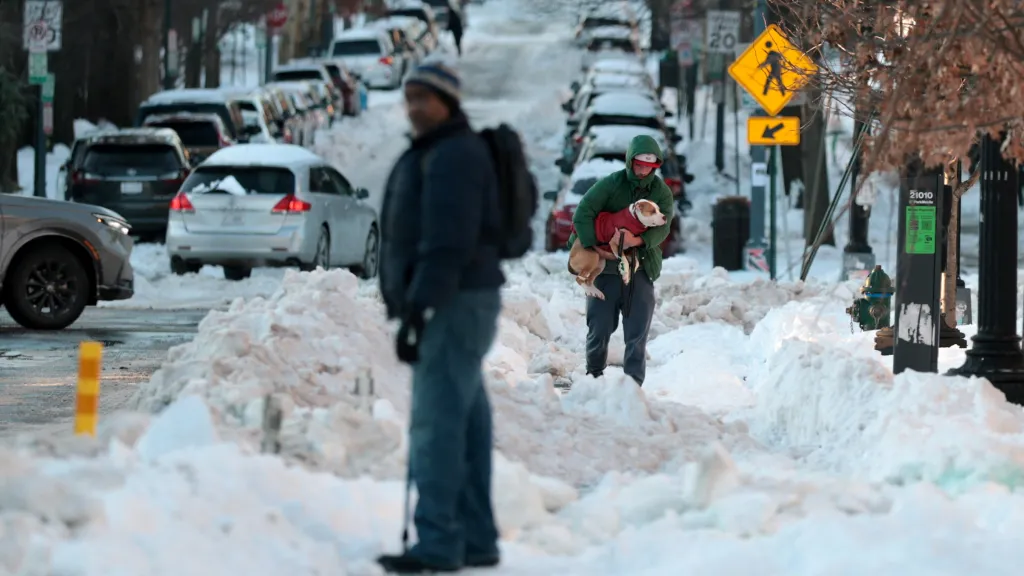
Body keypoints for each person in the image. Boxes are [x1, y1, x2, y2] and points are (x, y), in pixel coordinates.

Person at [376, 59, 505, 574]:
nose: (413, 107)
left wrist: (420, 307)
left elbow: (446, 242)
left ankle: (438, 542)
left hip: (451, 301)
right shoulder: (443, 151)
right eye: (408, 97)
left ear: (447, 100)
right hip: (461, 298)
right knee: (465, 420)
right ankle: (475, 539)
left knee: (436, 425)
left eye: (422, 97)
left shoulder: (453, 155)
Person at [568, 135, 674, 387]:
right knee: (600, 326)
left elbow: (664, 225)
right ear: (630, 161)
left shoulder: (660, 192)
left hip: (640, 266)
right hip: (605, 270)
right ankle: (594, 377)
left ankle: (633, 385)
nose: (643, 169)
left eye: (649, 165)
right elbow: (583, 212)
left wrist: (637, 242)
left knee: (637, 329)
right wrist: (594, 244)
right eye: (638, 164)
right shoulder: (611, 184)